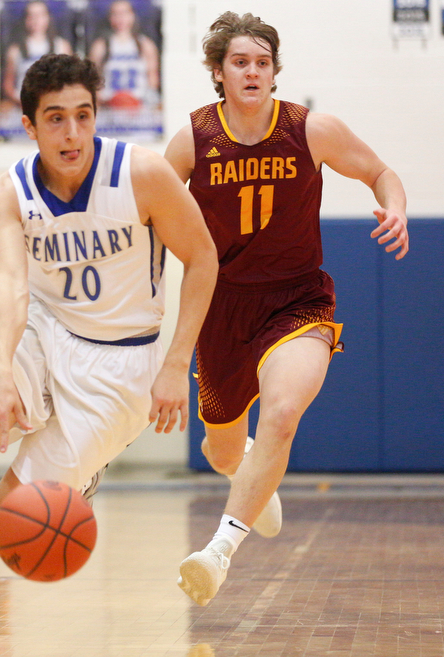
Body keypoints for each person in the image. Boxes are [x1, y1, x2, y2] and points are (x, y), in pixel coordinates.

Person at [0, 53, 217, 657]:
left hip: (123, 363)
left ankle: (83, 471)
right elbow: (7, 284)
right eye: (55, 119)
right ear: (30, 126)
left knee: (14, 514)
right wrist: (3, 371)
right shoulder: (8, 193)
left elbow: (204, 260)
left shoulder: (142, 174)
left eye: (83, 116)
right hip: (44, 329)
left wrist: (175, 364)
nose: (72, 133)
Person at [164, 11, 409, 607]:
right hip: (221, 306)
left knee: (281, 414)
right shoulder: (192, 140)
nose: (252, 71)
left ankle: (218, 551)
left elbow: (380, 172)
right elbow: (150, 213)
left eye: (262, 62)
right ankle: (250, 468)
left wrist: (395, 206)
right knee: (221, 449)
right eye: (240, 62)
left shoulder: (311, 130)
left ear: (274, 73)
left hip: (298, 299)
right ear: (218, 73)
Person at [88, 0, 160, 108]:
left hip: (139, 105)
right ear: (110, 18)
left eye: (125, 13)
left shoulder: (145, 45)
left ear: (133, 16)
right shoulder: (100, 46)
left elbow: (153, 80)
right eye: (116, 14)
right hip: (109, 106)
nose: (120, 18)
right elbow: (93, 82)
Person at [1, 0, 72, 107]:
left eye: (40, 15)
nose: (36, 20)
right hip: (24, 106)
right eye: (31, 16)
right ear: (25, 20)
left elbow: (71, 81)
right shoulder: (15, 50)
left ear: (48, 18)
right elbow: (8, 85)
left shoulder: (62, 46)